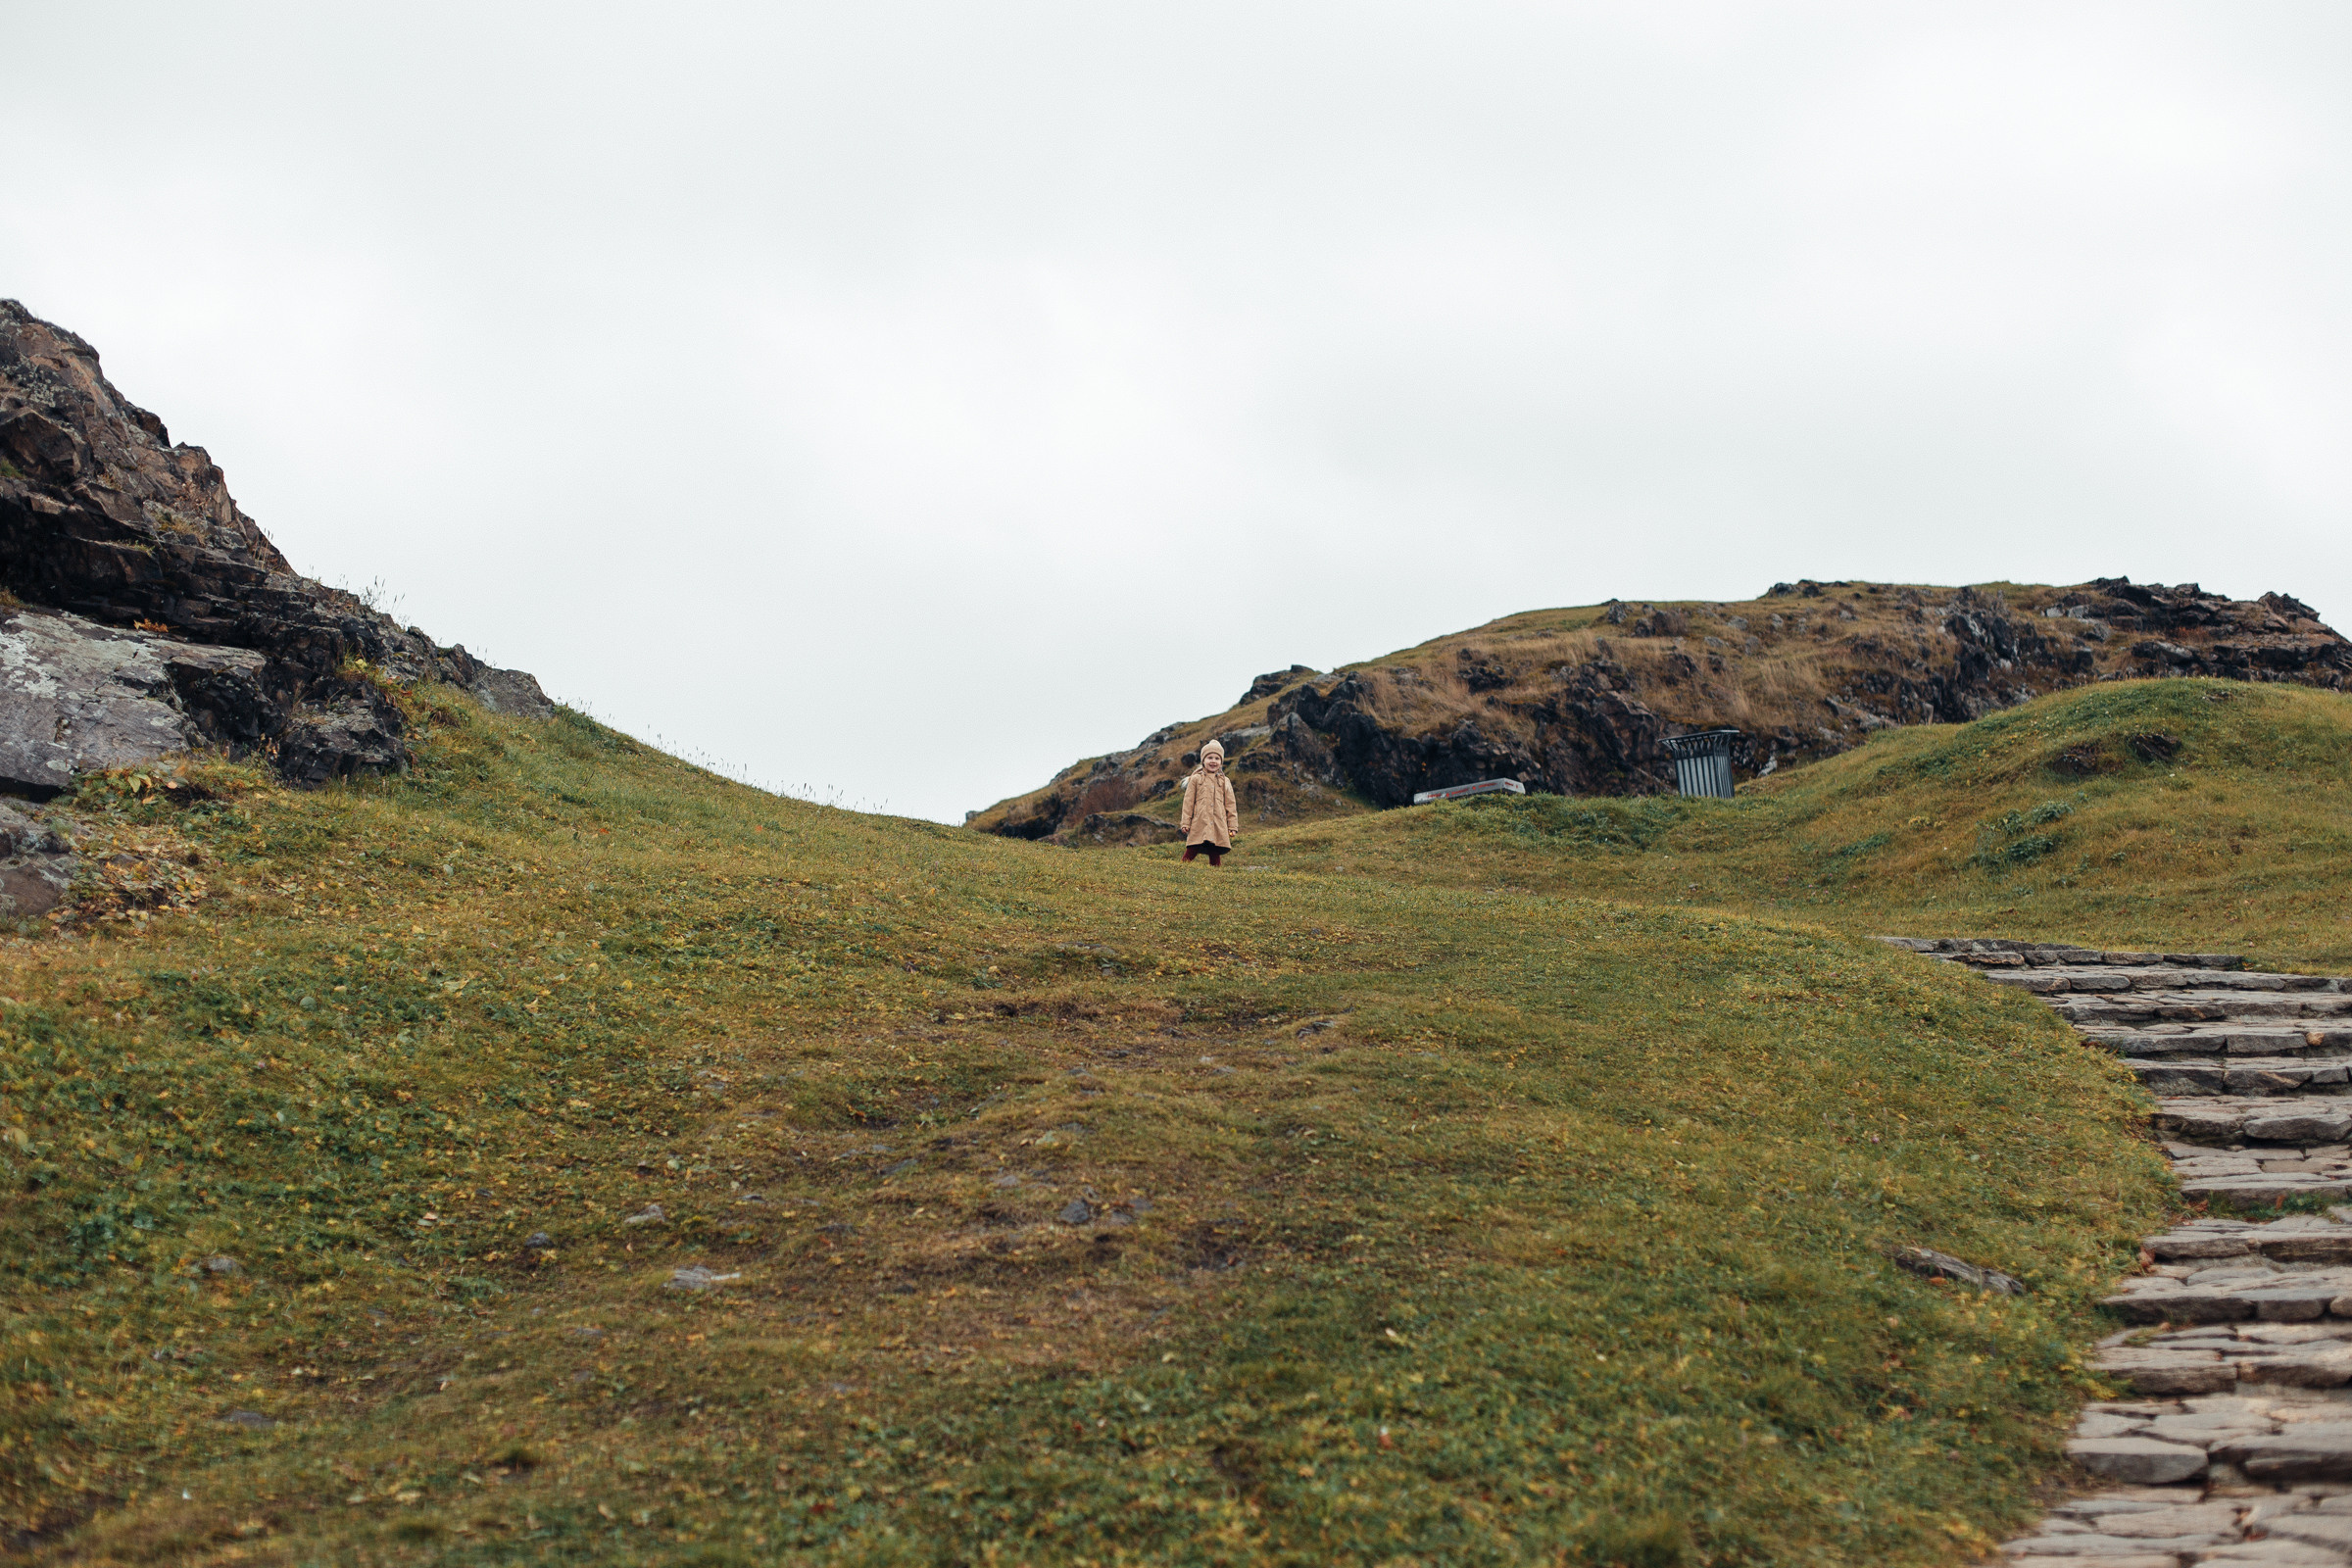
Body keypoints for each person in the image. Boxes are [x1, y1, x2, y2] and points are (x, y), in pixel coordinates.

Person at [1179, 740, 1239, 866]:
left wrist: (1232, 826)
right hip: (1199, 821)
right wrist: (1186, 822)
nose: (1213, 761)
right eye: (1209, 757)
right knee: (1193, 846)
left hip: (1218, 822)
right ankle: (1181, 868)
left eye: (1217, 758)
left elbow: (1231, 805)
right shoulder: (1196, 779)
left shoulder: (1224, 781)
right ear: (1203, 761)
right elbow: (1188, 802)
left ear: (1221, 762)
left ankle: (1216, 874)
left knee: (1214, 848)